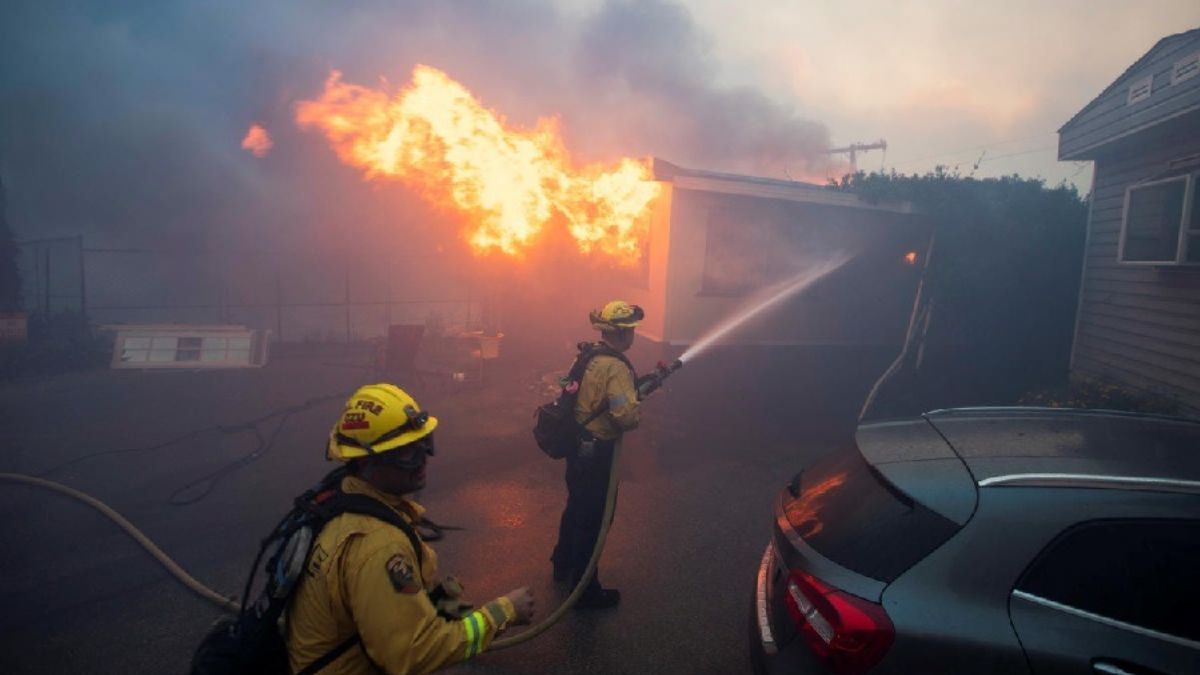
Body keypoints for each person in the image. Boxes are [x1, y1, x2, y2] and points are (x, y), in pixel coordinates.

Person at [287, 383, 536, 674]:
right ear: (366, 460)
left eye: (424, 445)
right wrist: (504, 612)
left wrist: (431, 606)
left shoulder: (338, 497)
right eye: (406, 454)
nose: (423, 462)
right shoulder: (378, 545)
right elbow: (413, 654)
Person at [550, 300, 644, 609]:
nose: (634, 334)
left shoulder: (588, 355)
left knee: (576, 507)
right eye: (630, 329)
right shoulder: (616, 366)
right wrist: (635, 405)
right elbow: (625, 417)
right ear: (619, 332)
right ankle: (585, 589)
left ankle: (561, 564)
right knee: (594, 518)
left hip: (577, 447)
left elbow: (577, 389)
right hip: (598, 452)